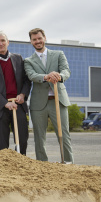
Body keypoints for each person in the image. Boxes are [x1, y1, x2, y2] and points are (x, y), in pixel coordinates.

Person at [24, 28, 73, 163]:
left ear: (44, 38)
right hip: (38, 104)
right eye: (34, 39)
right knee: (39, 136)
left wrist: (59, 76)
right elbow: (32, 75)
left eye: (40, 38)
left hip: (58, 100)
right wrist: (46, 76)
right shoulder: (28, 61)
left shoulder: (58, 54)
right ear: (31, 42)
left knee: (64, 134)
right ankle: (42, 165)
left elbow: (66, 70)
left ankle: (68, 163)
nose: (38, 41)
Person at [0, 31, 31, 155]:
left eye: (3, 40)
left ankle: (21, 164)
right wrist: (5, 103)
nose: (0, 43)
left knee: (22, 140)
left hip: (18, 105)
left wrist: (23, 95)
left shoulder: (18, 59)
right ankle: (4, 170)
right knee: (3, 143)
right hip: (1, 108)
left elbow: (26, 81)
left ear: (8, 42)